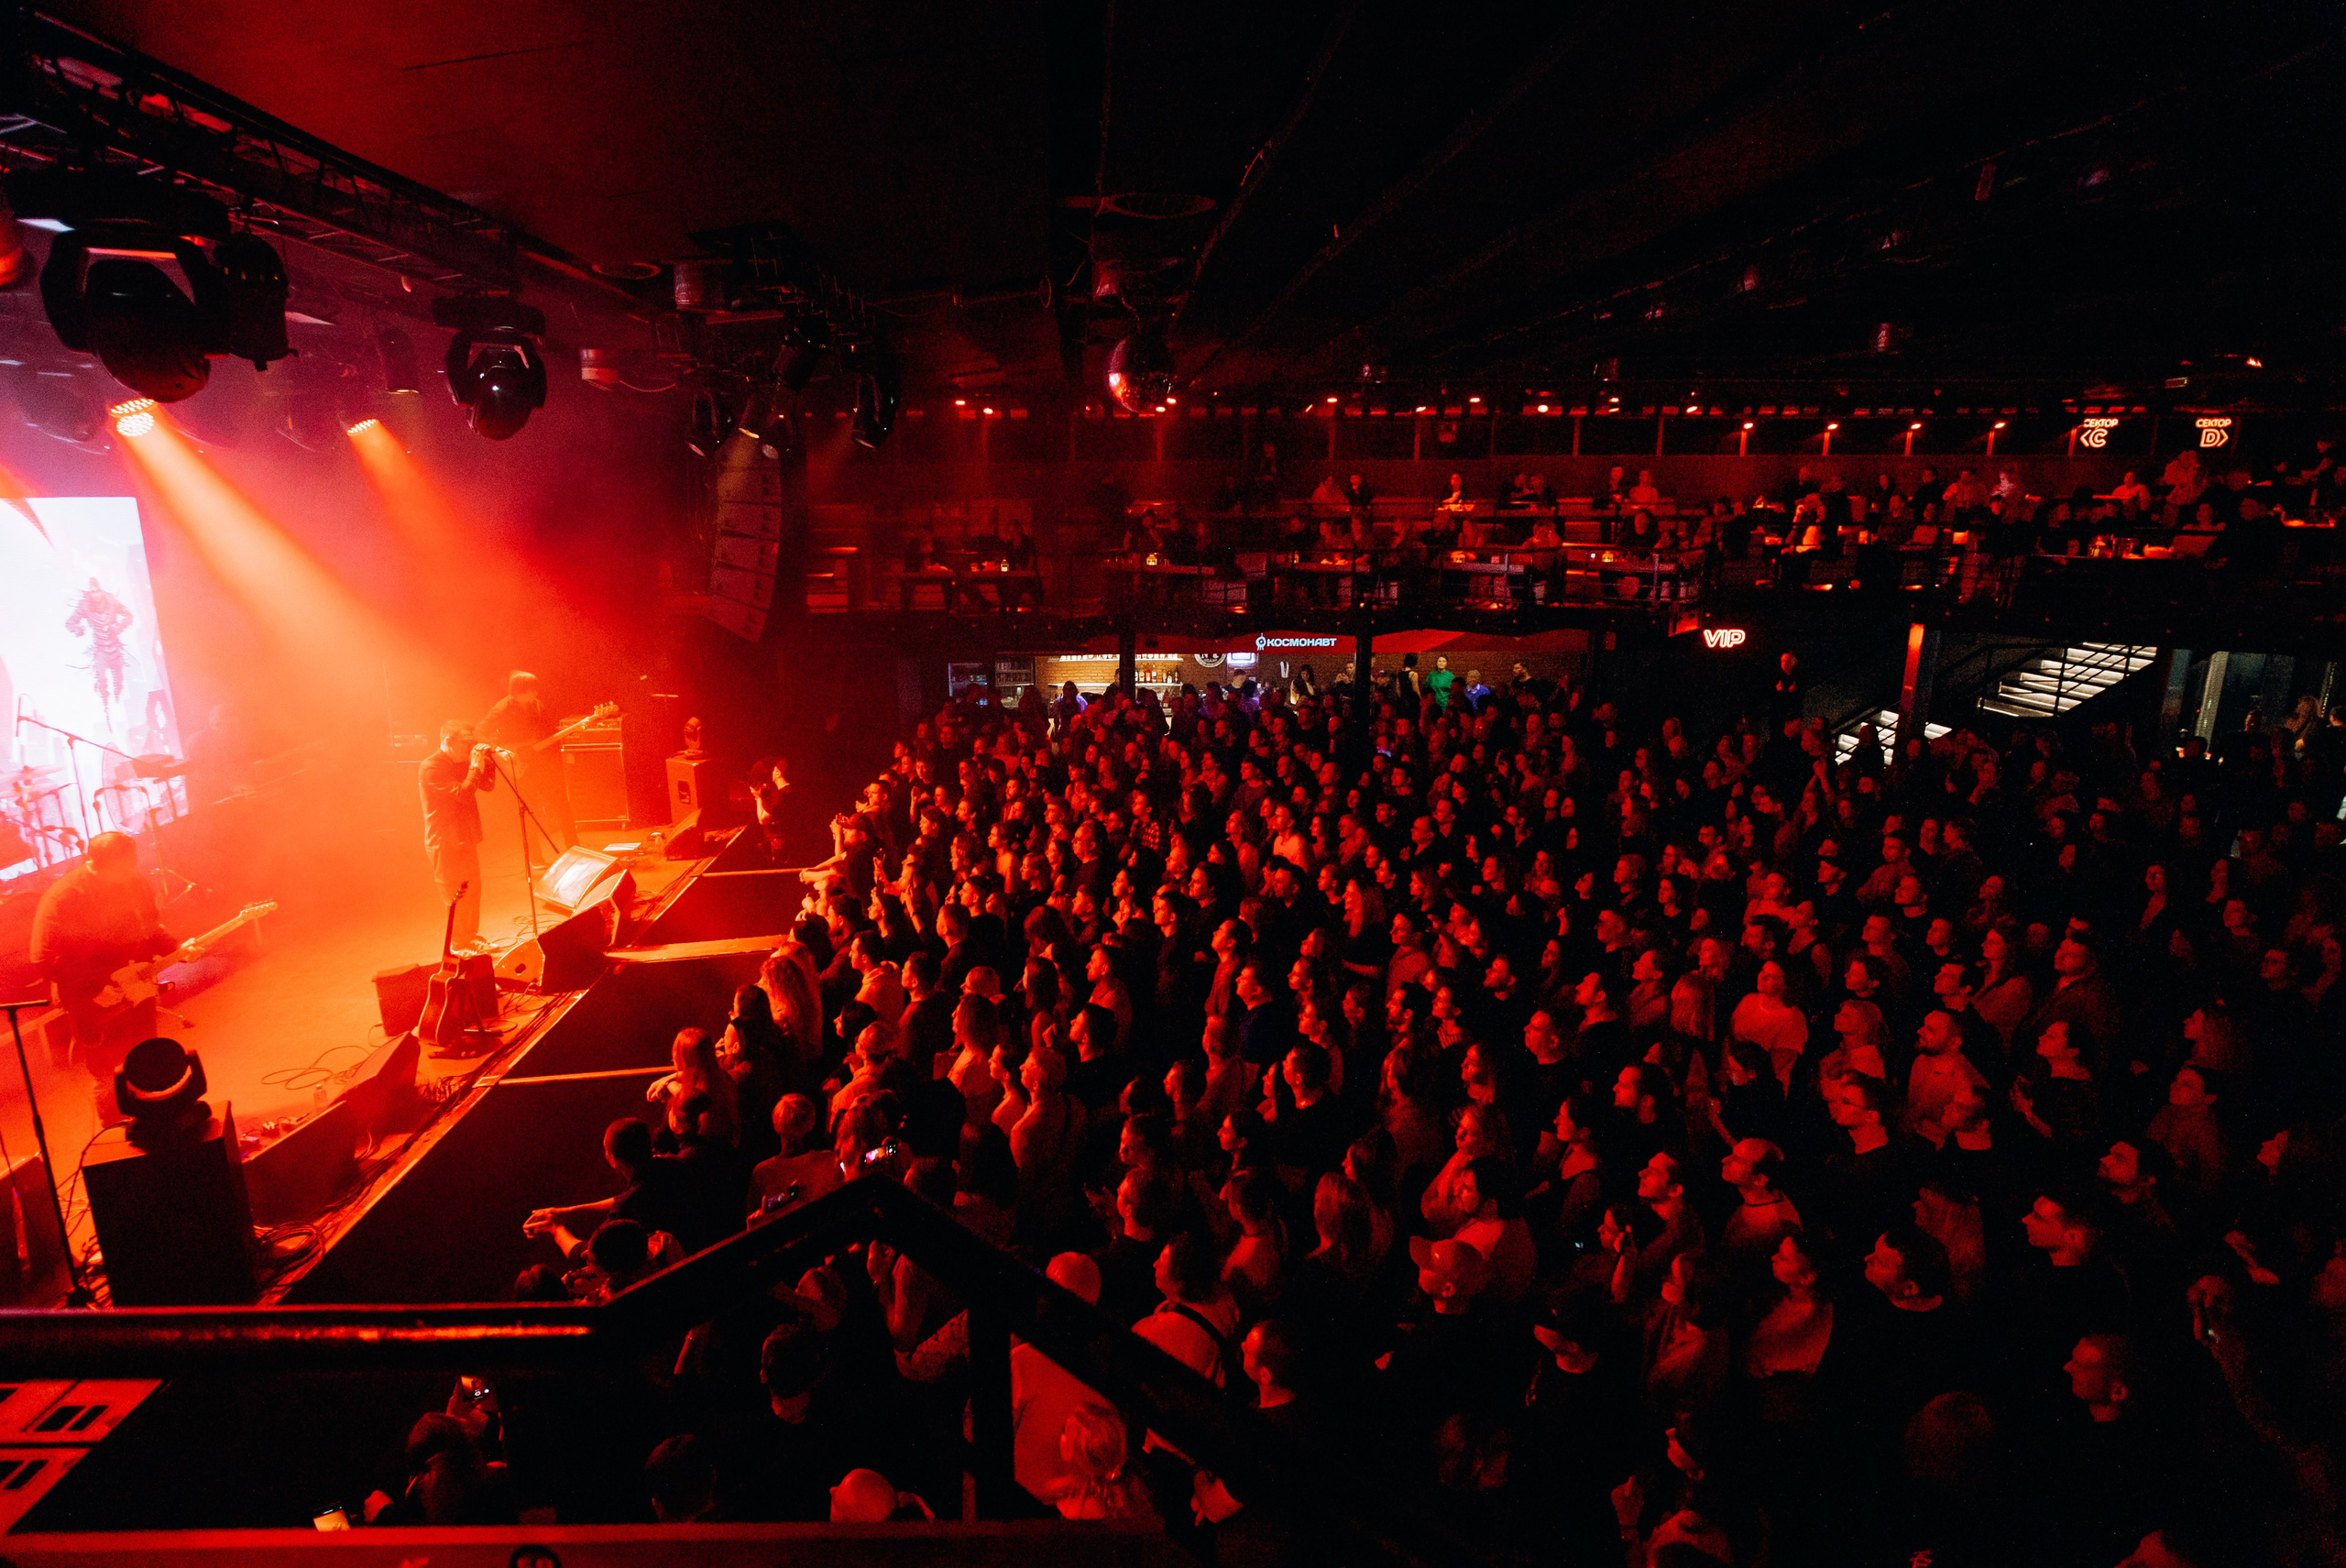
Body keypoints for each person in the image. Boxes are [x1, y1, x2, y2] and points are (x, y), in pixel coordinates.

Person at [28, 830, 184, 1120]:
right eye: (123, 868)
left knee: (145, 1055)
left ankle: (154, 1120)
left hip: (137, 986)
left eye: (132, 864)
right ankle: (115, 1132)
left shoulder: (133, 882)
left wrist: (176, 947)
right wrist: (92, 988)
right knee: (108, 1073)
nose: (131, 873)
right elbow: (43, 958)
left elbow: (150, 927)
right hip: (94, 1000)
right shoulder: (64, 896)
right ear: (96, 864)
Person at [476, 670, 578, 855]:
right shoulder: (502, 709)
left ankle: (574, 847)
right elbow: (479, 731)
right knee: (530, 811)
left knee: (562, 803)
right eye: (532, 690)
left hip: (542, 763)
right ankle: (535, 858)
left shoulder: (537, 706)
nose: (536, 694)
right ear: (520, 692)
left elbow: (548, 732)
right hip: (520, 765)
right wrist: (500, 751)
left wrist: (564, 734)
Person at [418, 719, 498, 949]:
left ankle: (471, 937)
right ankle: (459, 943)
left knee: (472, 888)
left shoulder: (461, 762)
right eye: (465, 742)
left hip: (465, 835)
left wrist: (487, 761)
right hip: (444, 839)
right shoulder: (432, 767)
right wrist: (474, 765)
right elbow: (462, 794)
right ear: (447, 741)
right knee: (455, 893)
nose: (469, 747)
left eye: (471, 742)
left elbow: (487, 785)